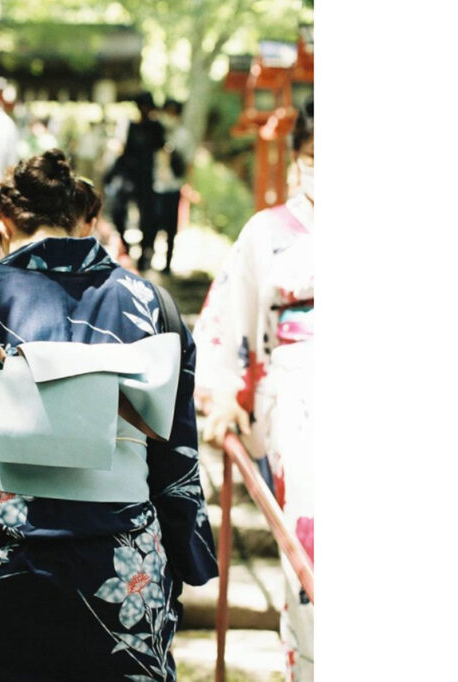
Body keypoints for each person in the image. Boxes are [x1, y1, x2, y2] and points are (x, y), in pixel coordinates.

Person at [0, 149, 217, 681]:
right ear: (89, 220)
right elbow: (177, 458)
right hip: (120, 565)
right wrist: (183, 554)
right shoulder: (153, 306)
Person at [193, 95, 314, 681]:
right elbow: (227, 325)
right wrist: (222, 397)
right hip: (302, 399)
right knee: (313, 548)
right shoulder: (269, 233)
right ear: (300, 155)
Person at [104, 92, 165, 271]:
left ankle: (146, 252)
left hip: (147, 178)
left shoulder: (155, 128)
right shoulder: (128, 126)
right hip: (127, 176)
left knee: (148, 219)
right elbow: (120, 148)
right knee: (119, 212)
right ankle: (126, 248)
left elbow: (160, 150)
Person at [152, 99, 194, 274]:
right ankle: (149, 257)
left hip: (174, 186)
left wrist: (189, 185)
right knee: (153, 222)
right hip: (155, 185)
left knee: (171, 225)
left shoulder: (183, 137)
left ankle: (168, 262)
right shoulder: (156, 133)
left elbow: (189, 162)